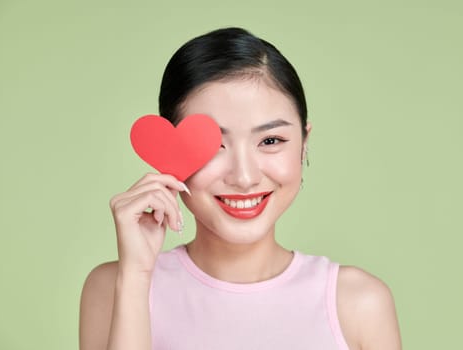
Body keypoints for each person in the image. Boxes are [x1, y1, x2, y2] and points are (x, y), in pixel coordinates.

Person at [79, 27, 402, 350]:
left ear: (304, 144)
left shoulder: (359, 305)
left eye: (271, 141)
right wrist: (136, 277)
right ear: (169, 150)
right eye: (214, 144)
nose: (244, 177)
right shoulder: (113, 288)